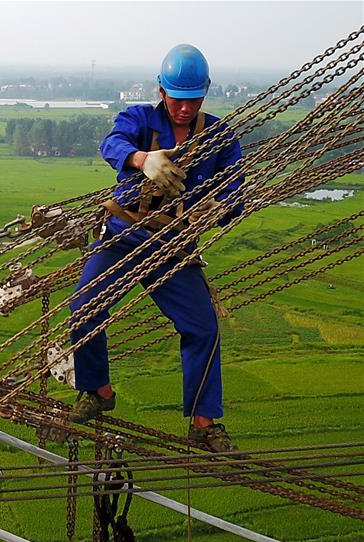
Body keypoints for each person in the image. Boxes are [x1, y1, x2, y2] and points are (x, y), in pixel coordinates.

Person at [68, 44, 242, 452]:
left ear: (205, 94)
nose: (184, 108)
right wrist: (141, 158)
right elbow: (112, 142)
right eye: (177, 99)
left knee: (203, 328)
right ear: (162, 91)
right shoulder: (139, 119)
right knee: (84, 308)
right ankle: (98, 390)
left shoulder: (218, 136)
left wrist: (220, 208)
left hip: (174, 246)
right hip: (124, 235)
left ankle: (204, 422)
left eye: (193, 99)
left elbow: (236, 187)